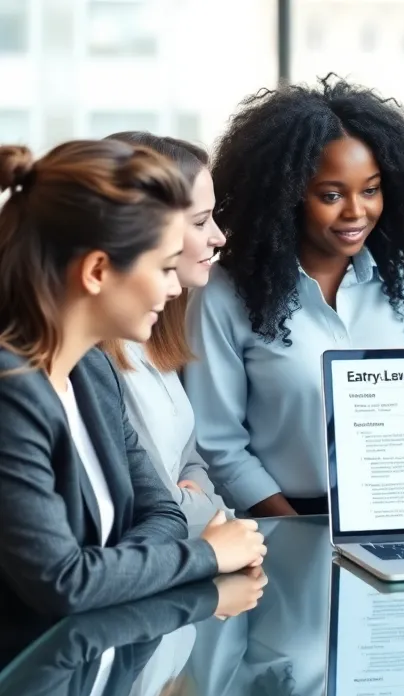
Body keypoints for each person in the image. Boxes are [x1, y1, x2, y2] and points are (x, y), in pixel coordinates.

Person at [0, 141, 265, 668]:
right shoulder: (11, 394)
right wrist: (207, 555)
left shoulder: (92, 372)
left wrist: (123, 562)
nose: (173, 290)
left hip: (74, 679)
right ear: (98, 271)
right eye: (164, 268)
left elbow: (161, 511)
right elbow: (65, 581)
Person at [186, 75, 404, 517]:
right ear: (287, 196)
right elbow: (218, 444)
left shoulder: (399, 281)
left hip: (391, 515)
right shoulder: (224, 294)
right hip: (280, 521)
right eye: (331, 195)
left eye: (371, 189)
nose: (356, 211)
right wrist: (294, 531)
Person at [101, 131, 229, 525]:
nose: (218, 237)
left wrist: (207, 510)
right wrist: (215, 518)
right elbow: (153, 504)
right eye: (201, 221)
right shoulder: (95, 361)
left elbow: (190, 461)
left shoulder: (153, 334)